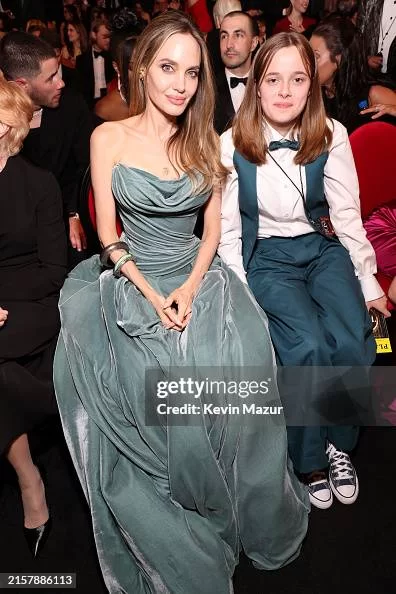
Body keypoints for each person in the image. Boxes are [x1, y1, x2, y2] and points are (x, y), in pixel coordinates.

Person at [54, 11, 308, 593]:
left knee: (245, 360)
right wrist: (152, 295)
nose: (180, 84)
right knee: (152, 382)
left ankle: (244, 509)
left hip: (197, 275)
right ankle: (180, 522)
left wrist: (190, 288)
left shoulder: (206, 139)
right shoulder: (107, 137)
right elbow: (108, 236)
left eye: (192, 72)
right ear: (141, 68)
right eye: (168, 67)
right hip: (131, 275)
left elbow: (212, 232)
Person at [219, 32, 390, 510]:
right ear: (255, 84)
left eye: (297, 79)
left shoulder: (331, 133)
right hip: (268, 256)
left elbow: (347, 213)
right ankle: (309, 458)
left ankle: (339, 444)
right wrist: (241, 293)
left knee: (354, 339)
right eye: (273, 79)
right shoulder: (230, 143)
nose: (285, 91)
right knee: (306, 345)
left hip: (322, 245)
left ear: (312, 84)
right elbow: (230, 233)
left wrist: (368, 280)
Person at [0, 73, 67, 557]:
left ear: (6, 126)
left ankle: (29, 474)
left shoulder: (39, 184)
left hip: (35, 307)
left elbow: (52, 271)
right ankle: (30, 476)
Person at [0, 31, 93, 268]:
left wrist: (75, 213)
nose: (60, 82)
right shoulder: (3, 120)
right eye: (50, 78)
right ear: (22, 85)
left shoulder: (72, 106)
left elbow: (84, 166)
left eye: (58, 72)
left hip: (63, 214)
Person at [310, 17, 396, 133]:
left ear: (338, 59)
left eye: (316, 56)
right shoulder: (313, 92)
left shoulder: (373, 94)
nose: (308, 62)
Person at [214, 10, 259, 134]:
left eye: (238, 35)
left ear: (254, 43)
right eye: (224, 36)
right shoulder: (206, 88)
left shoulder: (268, 86)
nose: (229, 44)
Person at [75, 17, 113, 108]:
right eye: (104, 37)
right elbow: (79, 90)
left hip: (109, 104)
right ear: (94, 35)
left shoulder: (113, 57)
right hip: (89, 106)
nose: (108, 40)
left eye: (109, 37)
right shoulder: (81, 60)